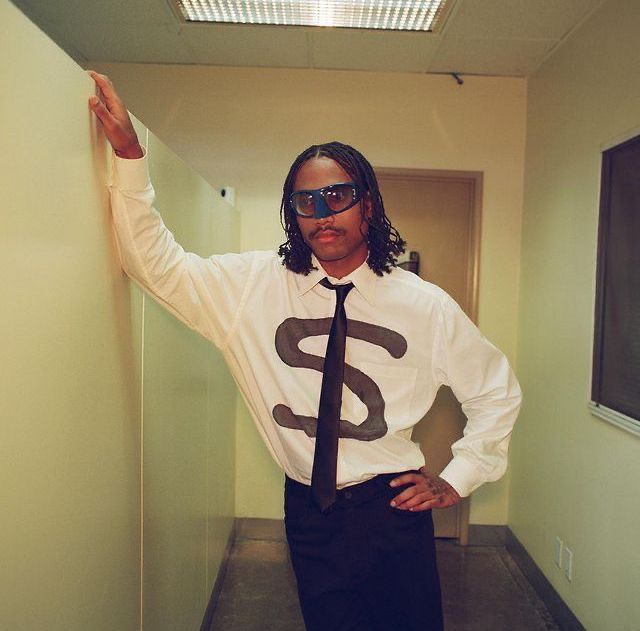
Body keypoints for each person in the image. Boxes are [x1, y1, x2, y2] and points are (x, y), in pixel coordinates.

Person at [88, 71, 522, 631]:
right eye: (306, 201)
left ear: (368, 206)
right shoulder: (251, 287)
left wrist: (458, 476)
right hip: (309, 511)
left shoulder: (424, 305)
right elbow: (157, 267)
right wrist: (128, 154)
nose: (324, 212)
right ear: (293, 213)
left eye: (338, 196)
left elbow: (495, 391)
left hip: (392, 510)